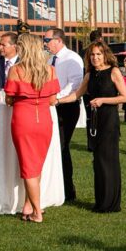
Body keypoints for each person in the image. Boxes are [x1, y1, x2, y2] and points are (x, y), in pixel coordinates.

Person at [4, 32, 60, 223]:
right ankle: (29, 205)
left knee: (29, 166)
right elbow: (53, 100)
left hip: (23, 119)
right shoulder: (50, 70)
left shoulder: (17, 70)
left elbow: (9, 99)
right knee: (36, 164)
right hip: (43, 120)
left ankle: (37, 211)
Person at [78, 41, 126, 212]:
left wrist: (102, 100)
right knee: (98, 161)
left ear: (105, 55)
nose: (95, 58)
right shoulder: (89, 75)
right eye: (92, 55)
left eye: (98, 54)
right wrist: (55, 100)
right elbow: (76, 94)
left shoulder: (113, 72)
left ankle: (111, 203)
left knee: (108, 160)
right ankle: (101, 201)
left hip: (109, 121)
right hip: (95, 121)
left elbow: (124, 97)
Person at [47, 28, 85, 202]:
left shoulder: (72, 58)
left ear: (58, 40)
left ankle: (69, 190)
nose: (45, 43)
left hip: (67, 107)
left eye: (47, 40)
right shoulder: (50, 59)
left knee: (62, 146)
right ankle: (56, 186)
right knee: (55, 147)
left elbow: (75, 85)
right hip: (53, 105)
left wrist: (57, 98)